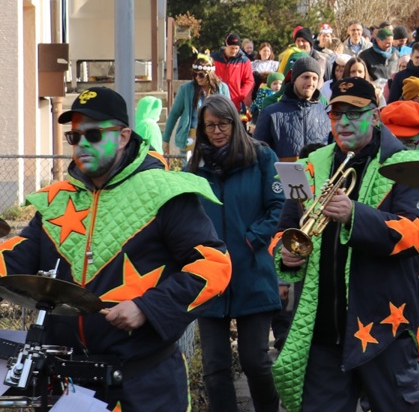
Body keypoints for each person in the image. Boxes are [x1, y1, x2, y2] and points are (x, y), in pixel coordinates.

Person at [0, 87, 232, 411]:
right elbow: (15, 258)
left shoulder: (165, 192)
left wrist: (148, 307)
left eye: (93, 134)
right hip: (68, 387)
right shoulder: (56, 201)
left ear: (123, 136)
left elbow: (214, 265)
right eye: (74, 137)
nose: (81, 145)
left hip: (147, 384)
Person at [273, 76, 419, 412]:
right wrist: (286, 255)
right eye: (335, 114)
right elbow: (285, 228)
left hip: (383, 327)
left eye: (353, 114)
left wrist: (355, 215)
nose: (343, 123)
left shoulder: (407, 166)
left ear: (375, 115)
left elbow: (417, 233)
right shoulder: (309, 165)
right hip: (324, 330)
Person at [189, 95, 284, 412]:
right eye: (210, 126)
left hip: (252, 271)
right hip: (210, 277)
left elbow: (278, 207)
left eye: (223, 124)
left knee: (255, 361)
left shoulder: (261, 156)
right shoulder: (197, 167)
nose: (216, 131)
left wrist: (251, 239)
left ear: (235, 122)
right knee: (215, 369)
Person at [256, 56, 331, 161]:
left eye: (315, 78)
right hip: (281, 176)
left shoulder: (327, 113)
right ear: (294, 79)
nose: (310, 83)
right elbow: (258, 155)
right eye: (306, 77)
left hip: (318, 176)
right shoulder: (270, 113)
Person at [164, 53, 231, 154]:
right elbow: (174, 114)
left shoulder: (222, 88)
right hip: (191, 135)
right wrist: (165, 139)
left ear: (210, 74)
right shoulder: (186, 89)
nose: (197, 78)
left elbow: (229, 115)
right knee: (190, 168)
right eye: (195, 74)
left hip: (215, 135)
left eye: (201, 75)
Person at [214, 32, 256, 111]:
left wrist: (241, 95)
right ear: (227, 45)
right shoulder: (214, 59)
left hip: (236, 101)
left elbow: (249, 80)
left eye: (236, 48)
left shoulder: (244, 61)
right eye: (232, 48)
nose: (234, 51)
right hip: (217, 100)